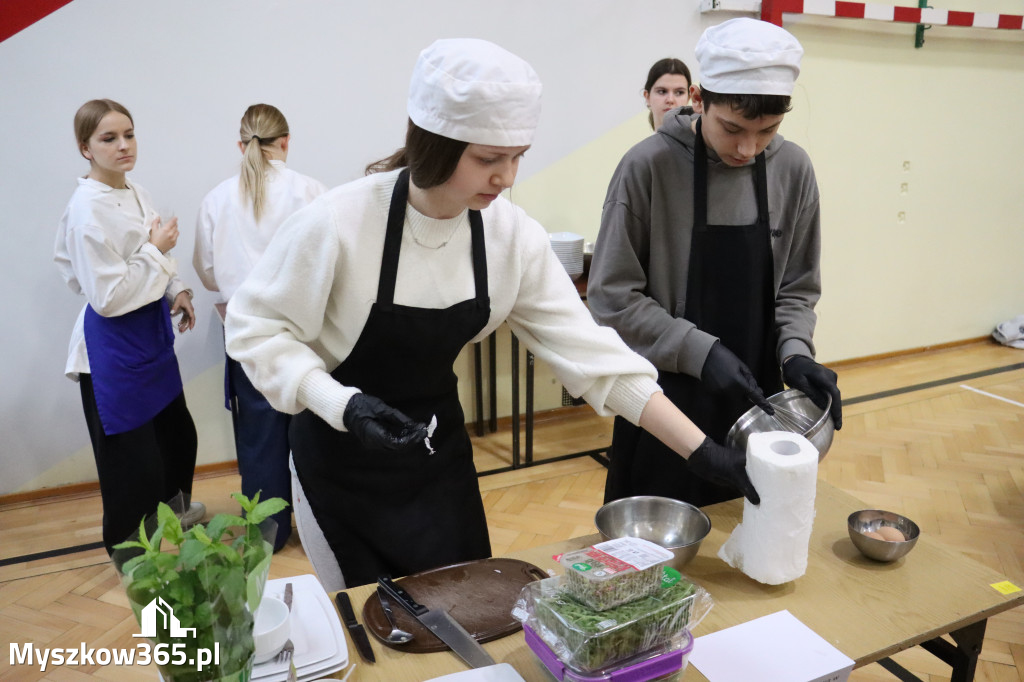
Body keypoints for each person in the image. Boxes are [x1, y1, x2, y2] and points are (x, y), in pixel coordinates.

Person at [225, 38, 759, 588]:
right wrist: (340, 402)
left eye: (517, 156)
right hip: (339, 463)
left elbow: (593, 355)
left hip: (437, 462)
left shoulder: (509, 236)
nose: (507, 178)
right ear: (433, 143)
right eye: (488, 159)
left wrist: (702, 452)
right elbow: (254, 329)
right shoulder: (340, 222)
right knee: (372, 634)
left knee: (466, 607)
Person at [589, 18, 843, 508]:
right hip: (664, 403)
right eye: (733, 129)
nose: (748, 149)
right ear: (700, 99)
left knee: (752, 542)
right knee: (663, 562)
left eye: (767, 131)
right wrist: (699, 352)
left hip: (759, 403)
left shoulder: (793, 169)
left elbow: (797, 287)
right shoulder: (648, 167)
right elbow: (611, 298)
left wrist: (795, 353)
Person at [54, 99, 202, 554]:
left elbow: (149, 253)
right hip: (112, 349)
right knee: (130, 464)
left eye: (129, 134)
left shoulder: (135, 190)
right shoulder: (87, 212)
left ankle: (170, 516)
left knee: (178, 438)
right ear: (85, 148)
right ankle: (129, 551)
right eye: (109, 138)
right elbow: (108, 296)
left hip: (146, 339)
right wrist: (157, 253)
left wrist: (175, 287)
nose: (123, 146)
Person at [193, 104, 327, 551]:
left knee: (258, 437)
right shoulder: (311, 192)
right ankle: (320, 528)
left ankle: (268, 532)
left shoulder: (216, 198)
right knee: (311, 431)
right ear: (286, 142)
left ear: (241, 144)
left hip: (246, 333)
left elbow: (207, 271)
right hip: (304, 330)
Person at [643, 57, 692, 131]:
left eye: (679, 92)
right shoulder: (644, 143)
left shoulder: (705, 141)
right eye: (662, 91)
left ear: (689, 97)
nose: (670, 99)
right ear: (647, 97)